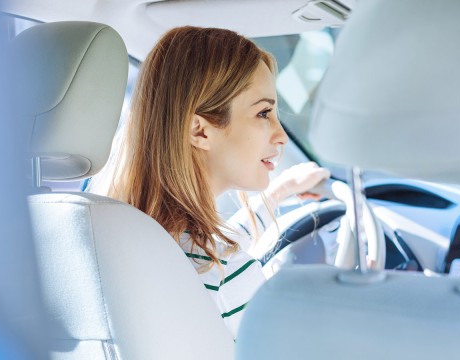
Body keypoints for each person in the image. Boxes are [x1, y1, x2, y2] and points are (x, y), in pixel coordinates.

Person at [89, 26, 330, 337]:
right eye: (264, 113)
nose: (281, 135)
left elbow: (205, 246)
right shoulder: (227, 275)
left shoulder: (120, 232)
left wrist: (278, 193)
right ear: (199, 131)